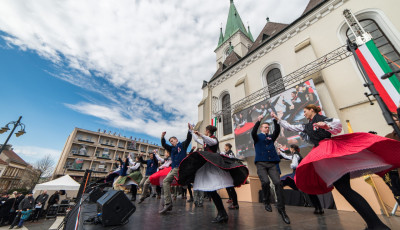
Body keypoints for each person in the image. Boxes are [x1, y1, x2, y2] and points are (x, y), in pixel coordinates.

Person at [273, 104, 400, 230]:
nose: (304, 114)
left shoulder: (322, 119)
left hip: (330, 152)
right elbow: (290, 127)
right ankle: (375, 224)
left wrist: (326, 125)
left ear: (312, 110)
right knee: (345, 190)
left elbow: (337, 125)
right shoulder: (306, 125)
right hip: (325, 155)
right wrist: (278, 120)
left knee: (345, 189)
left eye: (305, 111)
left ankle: (377, 225)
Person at [178, 125, 249, 223]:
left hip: (213, 166)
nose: (204, 132)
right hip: (208, 166)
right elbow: (197, 139)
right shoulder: (205, 140)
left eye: (205, 131)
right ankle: (222, 213)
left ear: (207, 131)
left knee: (212, 189)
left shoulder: (213, 139)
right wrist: (190, 131)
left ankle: (222, 213)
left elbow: (211, 142)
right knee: (211, 190)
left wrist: (201, 135)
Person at [251, 114, 290, 224]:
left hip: (272, 163)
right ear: (261, 128)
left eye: (268, 127)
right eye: (265, 127)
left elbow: (277, 131)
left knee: (278, 183)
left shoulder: (271, 137)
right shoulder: (257, 137)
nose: (267, 128)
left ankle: (282, 210)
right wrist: (258, 121)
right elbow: (253, 132)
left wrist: (274, 120)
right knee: (266, 182)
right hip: (261, 163)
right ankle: (266, 201)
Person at [159, 124, 192, 214]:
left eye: (172, 141)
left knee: (184, 183)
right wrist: (162, 137)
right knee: (166, 182)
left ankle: (187, 183)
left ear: (176, 140)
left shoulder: (183, 145)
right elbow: (164, 145)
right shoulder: (171, 148)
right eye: (170, 142)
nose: (171, 142)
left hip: (181, 168)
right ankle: (168, 203)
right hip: (174, 169)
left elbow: (189, 139)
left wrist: (189, 130)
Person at [278, 145, 315, 210]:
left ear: (292, 149)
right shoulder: (296, 155)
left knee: (283, 180)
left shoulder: (295, 155)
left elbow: (294, 165)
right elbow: (287, 156)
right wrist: (281, 152)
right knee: (300, 187)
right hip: (300, 173)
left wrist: (291, 165)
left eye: (290, 148)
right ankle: (307, 202)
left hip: (297, 173)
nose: (289, 149)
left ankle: (280, 201)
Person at [220, 143, 239, 210]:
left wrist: (224, 155)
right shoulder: (227, 153)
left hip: (231, 172)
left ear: (228, 147)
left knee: (231, 188)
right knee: (229, 187)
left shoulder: (230, 153)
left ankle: (235, 204)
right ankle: (233, 201)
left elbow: (231, 160)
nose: (224, 147)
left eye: (225, 146)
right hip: (229, 172)